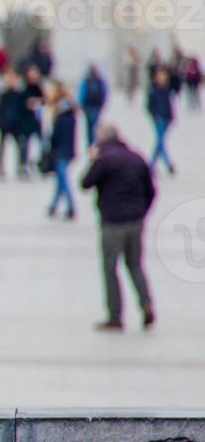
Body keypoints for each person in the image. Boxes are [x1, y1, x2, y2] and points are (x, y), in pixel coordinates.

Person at [80, 124, 156, 330]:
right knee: (135, 264)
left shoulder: (104, 159)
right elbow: (151, 190)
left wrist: (93, 160)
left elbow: (85, 183)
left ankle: (115, 315)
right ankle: (146, 303)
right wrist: (141, 211)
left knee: (110, 268)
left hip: (113, 221)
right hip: (136, 220)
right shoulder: (136, 157)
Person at [44, 83, 79, 220]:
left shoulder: (63, 112)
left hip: (62, 151)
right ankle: (53, 206)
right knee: (60, 180)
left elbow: (57, 134)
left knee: (63, 180)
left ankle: (71, 207)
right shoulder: (68, 110)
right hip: (66, 150)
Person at [0, 69, 31, 179]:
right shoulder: (2, 94)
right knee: (1, 147)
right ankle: (0, 167)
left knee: (21, 146)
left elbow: (24, 110)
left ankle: (21, 166)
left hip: (17, 125)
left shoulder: (19, 95)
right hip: (5, 124)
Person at [146, 67, 177, 176]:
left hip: (166, 118)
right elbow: (149, 105)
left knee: (160, 142)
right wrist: (155, 115)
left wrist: (172, 116)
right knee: (160, 141)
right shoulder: (153, 89)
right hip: (159, 118)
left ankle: (151, 165)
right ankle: (167, 164)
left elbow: (169, 104)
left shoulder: (166, 89)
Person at [78, 64, 108, 146]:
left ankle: (90, 143)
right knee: (95, 125)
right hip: (96, 106)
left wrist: (81, 105)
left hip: (88, 107)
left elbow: (81, 93)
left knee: (89, 127)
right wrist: (103, 104)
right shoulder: (99, 80)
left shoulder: (86, 80)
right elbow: (104, 93)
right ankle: (95, 142)